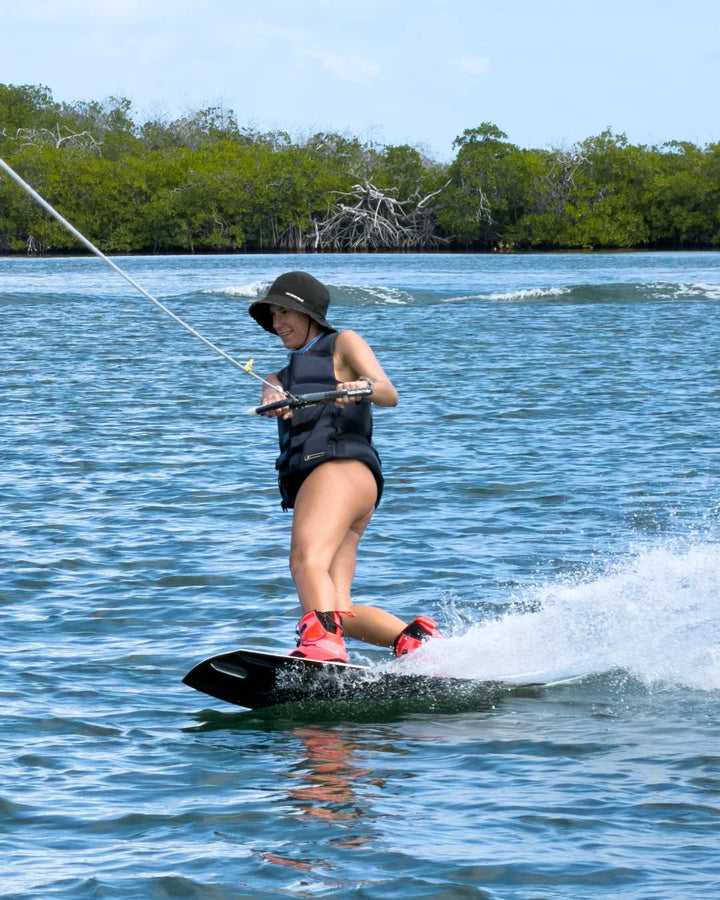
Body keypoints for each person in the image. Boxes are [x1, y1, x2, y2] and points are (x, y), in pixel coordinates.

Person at [248, 271, 442, 662]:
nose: (277, 322)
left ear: (310, 314)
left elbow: (389, 394)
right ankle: (418, 646)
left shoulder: (343, 342)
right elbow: (269, 398)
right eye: (272, 314)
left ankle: (322, 649)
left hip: (337, 471)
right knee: (336, 606)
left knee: (305, 562)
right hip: (350, 489)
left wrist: (362, 386)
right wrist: (274, 400)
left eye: (285, 312)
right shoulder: (277, 377)